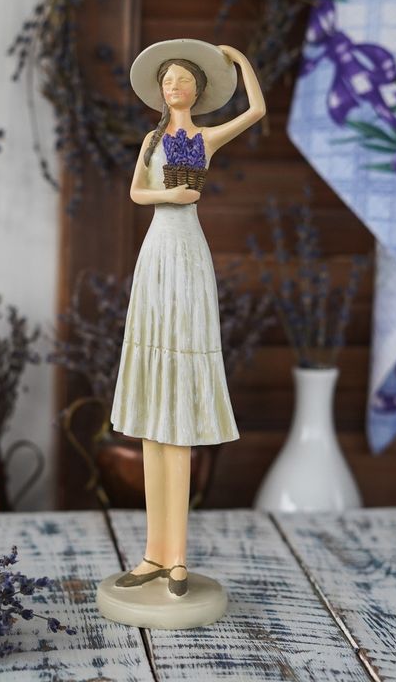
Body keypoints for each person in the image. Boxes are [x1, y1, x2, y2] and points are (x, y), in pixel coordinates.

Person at [109, 39, 266, 598]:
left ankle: (176, 557)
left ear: (198, 91)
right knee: (154, 430)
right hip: (156, 252)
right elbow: (136, 191)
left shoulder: (205, 138)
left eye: (184, 81)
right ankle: (154, 553)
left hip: (188, 257)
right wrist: (169, 197)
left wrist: (240, 62)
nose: (175, 87)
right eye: (168, 81)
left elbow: (256, 110)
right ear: (160, 91)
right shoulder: (152, 140)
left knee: (176, 425)